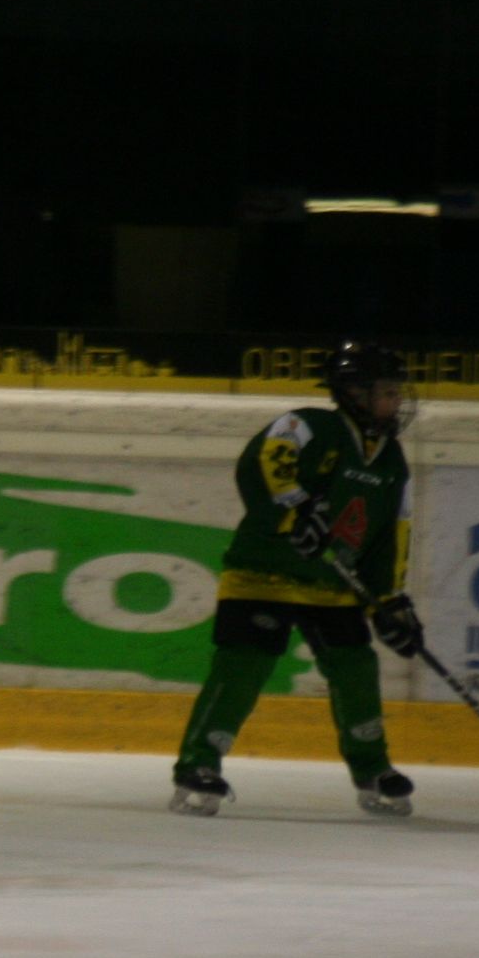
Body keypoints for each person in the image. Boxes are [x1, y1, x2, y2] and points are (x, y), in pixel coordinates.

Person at [170, 341, 426, 817]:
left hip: (333, 586)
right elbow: (267, 460)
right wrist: (294, 513)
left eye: (397, 391)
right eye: (388, 392)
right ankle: (198, 763)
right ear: (355, 392)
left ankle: (373, 768)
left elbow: (392, 532)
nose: (397, 402)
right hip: (263, 573)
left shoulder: (392, 461)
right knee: (243, 666)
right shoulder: (309, 425)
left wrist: (389, 598)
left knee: (356, 668)